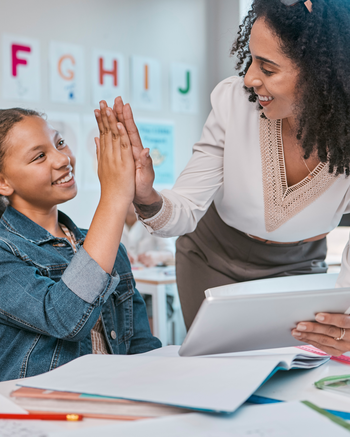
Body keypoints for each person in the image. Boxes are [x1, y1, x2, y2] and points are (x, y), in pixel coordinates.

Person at [105, 0, 350, 357]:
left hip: (298, 269)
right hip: (212, 259)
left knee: (299, 373)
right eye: (251, 59)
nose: (250, 78)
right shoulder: (235, 101)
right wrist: (146, 196)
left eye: (267, 67)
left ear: (323, 74)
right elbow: (185, 209)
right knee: (220, 372)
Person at [0, 105, 161, 382]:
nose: (63, 159)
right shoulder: (6, 250)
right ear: (3, 182)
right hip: (42, 410)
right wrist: (113, 197)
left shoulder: (108, 246)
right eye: (40, 156)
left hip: (116, 397)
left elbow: (139, 346)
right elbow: (64, 318)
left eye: (59, 143)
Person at [122, 203, 175, 267]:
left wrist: (158, 257)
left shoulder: (154, 221)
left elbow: (171, 252)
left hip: (150, 274)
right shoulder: (113, 223)